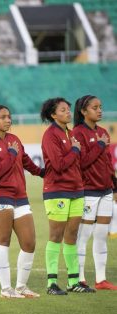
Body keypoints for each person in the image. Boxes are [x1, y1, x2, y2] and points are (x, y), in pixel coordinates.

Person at [0, 105, 44, 299]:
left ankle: (22, 287)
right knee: (3, 241)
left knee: (29, 242)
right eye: (3, 117)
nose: (8, 120)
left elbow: (24, 159)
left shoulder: (14, 139)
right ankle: (6, 289)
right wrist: (11, 154)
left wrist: (41, 172)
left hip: (20, 197)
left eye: (9, 117)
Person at [40, 97, 95, 295]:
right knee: (56, 236)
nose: (68, 112)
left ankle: (74, 281)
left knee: (71, 236)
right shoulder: (50, 135)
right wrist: (74, 149)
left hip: (76, 190)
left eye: (68, 109)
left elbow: (79, 163)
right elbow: (58, 165)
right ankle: (52, 283)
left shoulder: (71, 134)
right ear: (53, 115)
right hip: (57, 191)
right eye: (63, 110)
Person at [73, 95, 117, 290]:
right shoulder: (77, 133)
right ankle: (80, 278)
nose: (99, 110)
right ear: (83, 111)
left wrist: (114, 184)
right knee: (84, 235)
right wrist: (99, 145)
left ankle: (101, 280)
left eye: (100, 107)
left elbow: (107, 162)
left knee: (101, 235)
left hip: (106, 191)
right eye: (95, 107)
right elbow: (81, 162)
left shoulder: (103, 132)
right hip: (88, 191)